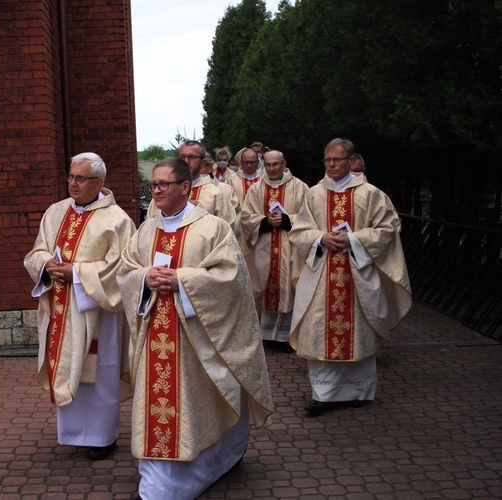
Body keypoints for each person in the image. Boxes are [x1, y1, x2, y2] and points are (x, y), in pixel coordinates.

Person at [117, 157, 274, 500]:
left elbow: (231, 279)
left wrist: (182, 281)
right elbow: (126, 272)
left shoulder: (212, 228)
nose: (155, 191)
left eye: (162, 185)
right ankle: (161, 483)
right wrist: (145, 278)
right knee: (160, 410)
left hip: (196, 339)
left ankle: (216, 461)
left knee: (199, 405)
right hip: (155, 334)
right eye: (153, 185)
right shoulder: (146, 229)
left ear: (185, 187)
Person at [23, 152, 136, 459]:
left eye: (81, 178)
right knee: (69, 367)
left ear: (99, 182)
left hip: (98, 311)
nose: (73, 183)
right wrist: (47, 265)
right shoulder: (55, 212)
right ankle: (74, 432)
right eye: (71, 177)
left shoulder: (118, 220)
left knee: (99, 374)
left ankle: (103, 437)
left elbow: (123, 268)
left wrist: (77, 272)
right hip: (62, 309)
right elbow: (36, 251)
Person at [289, 138, 412, 416]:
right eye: (327, 160)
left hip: (358, 275)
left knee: (359, 331)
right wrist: (321, 238)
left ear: (350, 161)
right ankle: (323, 394)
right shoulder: (314, 195)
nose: (332, 165)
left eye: (338, 160)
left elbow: (388, 229)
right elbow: (298, 231)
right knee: (320, 332)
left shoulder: (371, 194)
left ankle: (359, 390)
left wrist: (353, 239)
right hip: (322, 275)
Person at [240, 150, 308, 353]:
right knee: (266, 284)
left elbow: (309, 216)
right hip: (265, 246)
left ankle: (286, 337)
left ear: (284, 163)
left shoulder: (300, 187)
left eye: (276, 164)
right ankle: (267, 335)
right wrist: (265, 221)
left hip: (289, 246)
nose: (272, 169)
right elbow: (246, 217)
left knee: (289, 287)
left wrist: (288, 220)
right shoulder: (256, 189)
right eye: (268, 165)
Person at [145, 140, 236, 228]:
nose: (186, 161)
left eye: (192, 157)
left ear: (203, 162)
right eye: (182, 157)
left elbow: (227, 228)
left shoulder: (215, 194)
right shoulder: (163, 192)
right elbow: (152, 225)